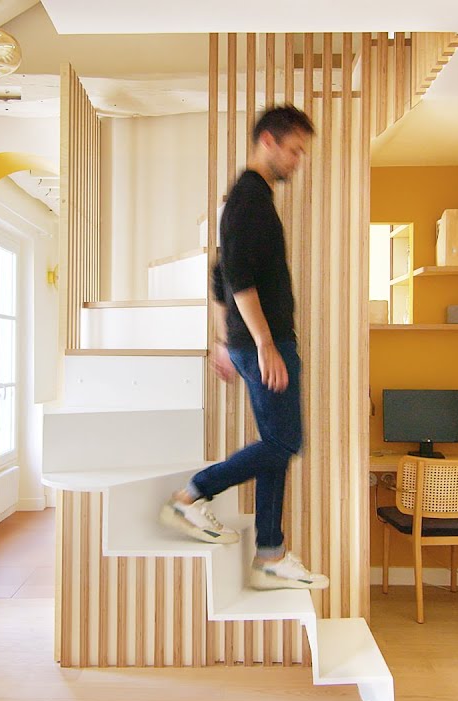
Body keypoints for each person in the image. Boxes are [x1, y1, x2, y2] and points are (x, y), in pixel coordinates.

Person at [159, 105, 328, 591]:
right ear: (268, 141)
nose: (298, 161)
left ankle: (270, 554)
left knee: (277, 444)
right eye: (294, 150)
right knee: (283, 443)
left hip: (251, 341)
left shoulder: (251, 198)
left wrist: (224, 338)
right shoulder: (249, 198)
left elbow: (220, 275)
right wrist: (264, 343)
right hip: (264, 342)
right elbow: (237, 277)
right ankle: (191, 497)